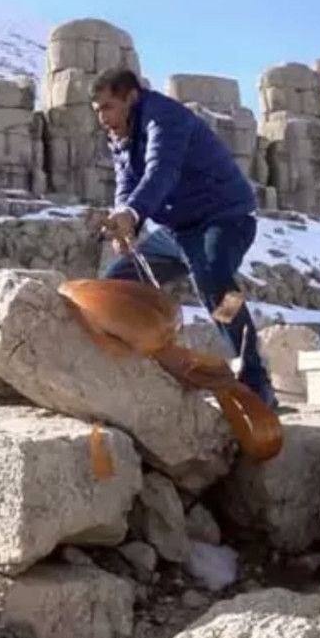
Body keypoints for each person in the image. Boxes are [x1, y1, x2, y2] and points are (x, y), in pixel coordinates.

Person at [91, 67, 276, 409]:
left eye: (108, 107)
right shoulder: (120, 132)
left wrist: (133, 214)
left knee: (216, 283)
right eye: (97, 110)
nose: (103, 118)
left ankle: (256, 379)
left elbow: (161, 171)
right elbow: (126, 182)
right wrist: (125, 223)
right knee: (116, 285)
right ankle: (141, 374)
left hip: (225, 217)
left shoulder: (165, 119)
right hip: (178, 232)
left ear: (132, 97)